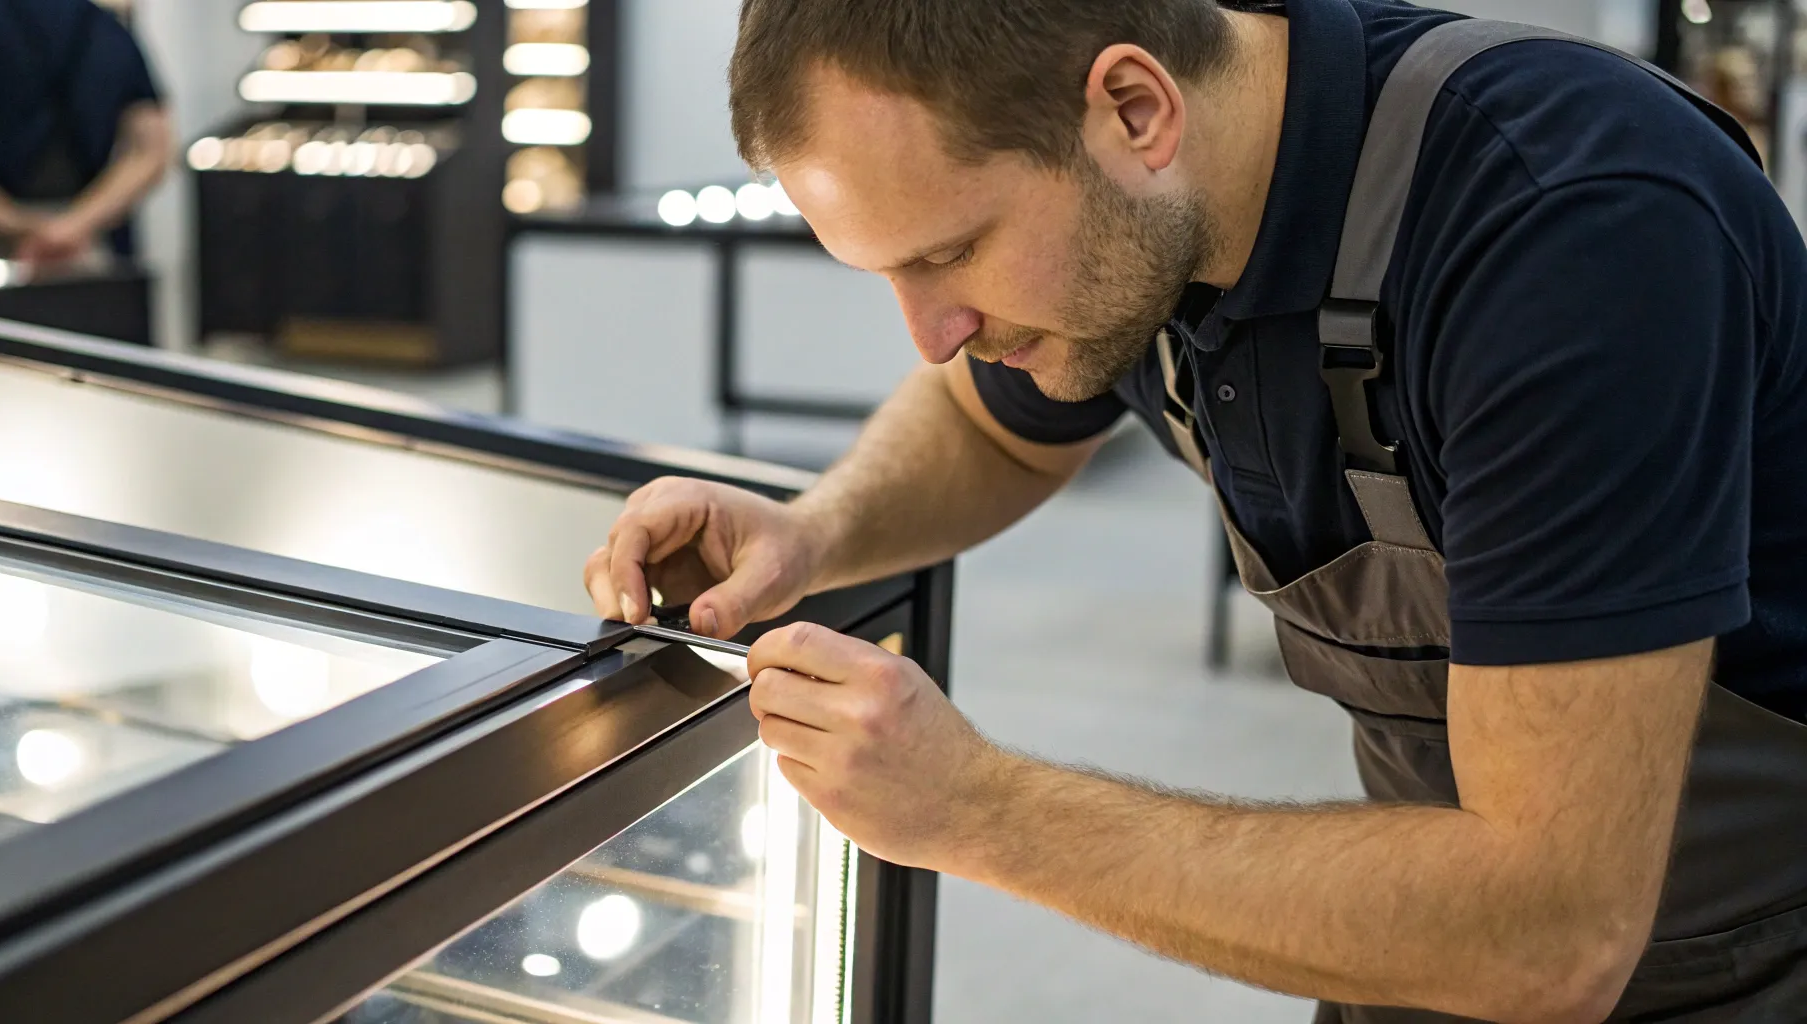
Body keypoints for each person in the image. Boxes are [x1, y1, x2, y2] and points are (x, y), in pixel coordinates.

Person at [583, 0, 1807, 1019]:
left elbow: (1554, 924)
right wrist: (818, 527)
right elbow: (978, 423)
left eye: (950, 252)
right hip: (1420, 940)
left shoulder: (1569, 226)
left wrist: (977, 808)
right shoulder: (1143, 226)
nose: (931, 332)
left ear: (1134, 109)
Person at [0, 0, 173, 268]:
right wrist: (74, 225)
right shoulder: (110, 30)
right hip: (84, 239)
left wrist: (11, 221)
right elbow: (151, 150)